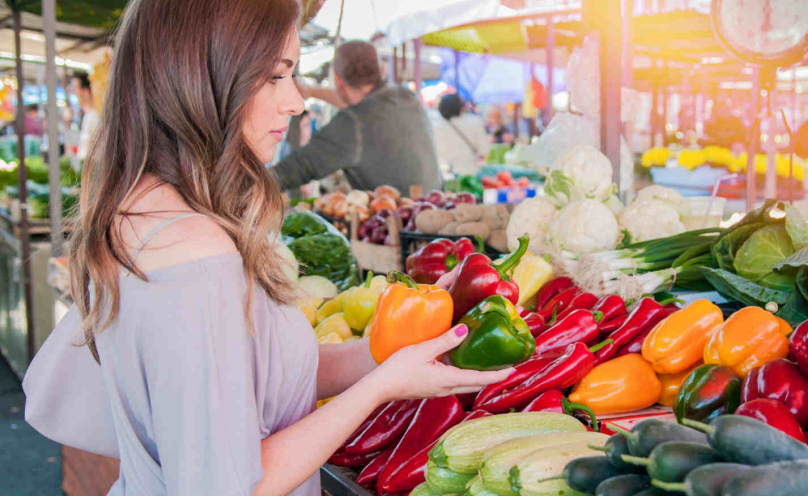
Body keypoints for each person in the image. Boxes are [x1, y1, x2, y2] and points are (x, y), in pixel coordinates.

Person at [21, 2, 511, 496]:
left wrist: (393, 348)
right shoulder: (194, 257)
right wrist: (381, 388)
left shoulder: (143, 211)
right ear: (206, 79)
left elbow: (267, 380)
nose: (297, 101)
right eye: (277, 76)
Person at [270, 41, 441, 195]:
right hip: (440, 212)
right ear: (382, 71)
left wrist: (248, 188)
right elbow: (357, 101)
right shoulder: (408, 97)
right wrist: (310, 92)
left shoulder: (352, 123)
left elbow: (295, 169)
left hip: (397, 226)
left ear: (337, 81)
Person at [431, 94, 491, 176]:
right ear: (460, 107)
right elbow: (484, 151)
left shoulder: (434, 126)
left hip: (444, 174)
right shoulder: (474, 122)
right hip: (469, 174)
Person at [71, 72, 99, 161]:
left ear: (86, 91)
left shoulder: (95, 117)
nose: (74, 92)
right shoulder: (88, 116)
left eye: (75, 88)